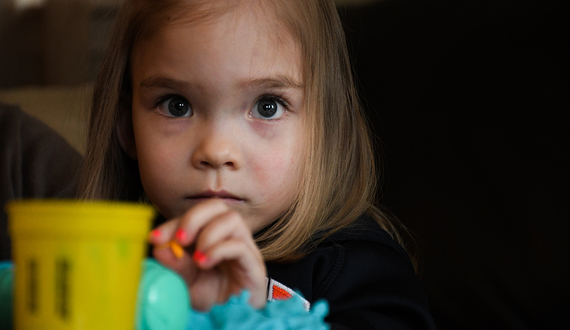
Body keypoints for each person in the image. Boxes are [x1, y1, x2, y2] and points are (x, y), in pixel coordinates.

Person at [77, 0, 434, 328]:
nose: (216, 151)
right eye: (176, 105)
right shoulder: (111, 259)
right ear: (126, 127)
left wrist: (251, 314)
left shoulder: (359, 269)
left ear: (324, 128)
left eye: (267, 106)